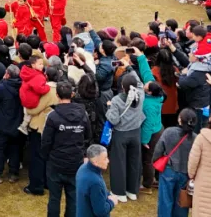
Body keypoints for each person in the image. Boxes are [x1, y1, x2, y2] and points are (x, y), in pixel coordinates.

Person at [41, 80, 92, 217]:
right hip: (72, 162)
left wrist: (46, 157)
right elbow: (88, 137)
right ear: (72, 94)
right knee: (73, 198)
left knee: (55, 198)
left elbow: (45, 142)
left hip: (59, 163)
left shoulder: (53, 116)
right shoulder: (81, 115)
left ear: (57, 95)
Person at [104, 71, 145, 201]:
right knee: (134, 162)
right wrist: (130, 68)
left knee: (118, 163)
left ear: (122, 86)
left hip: (121, 134)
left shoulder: (116, 100)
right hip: (135, 133)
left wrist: (108, 108)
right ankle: (132, 191)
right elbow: (140, 83)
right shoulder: (141, 95)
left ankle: (119, 192)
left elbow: (114, 120)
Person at [154, 108, 198, 217]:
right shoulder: (195, 138)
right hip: (185, 172)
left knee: (165, 201)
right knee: (181, 202)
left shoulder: (169, 132)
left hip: (168, 170)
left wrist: (155, 161)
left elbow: (158, 150)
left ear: (180, 119)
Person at [75, 144, 121, 217]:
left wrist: (108, 194)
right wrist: (112, 202)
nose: (108, 161)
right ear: (95, 162)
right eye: (105, 158)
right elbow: (101, 211)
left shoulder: (82, 168)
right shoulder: (95, 182)